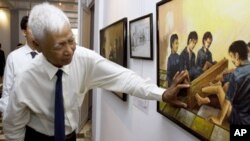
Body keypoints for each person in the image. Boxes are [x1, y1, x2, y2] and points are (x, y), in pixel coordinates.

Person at [3, 3, 189, 141]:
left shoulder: (83, 59)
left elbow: (124, 78)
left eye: (71, 40)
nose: (70, 50)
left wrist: (162, 94)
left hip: (70, 136)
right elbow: (13, 128)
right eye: (60, 45)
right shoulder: (26, 79)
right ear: (38, 45)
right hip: (38, 138)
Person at [195, 40, 250, 125]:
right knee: (226, 86)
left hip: (238, 120)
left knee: (219, 89)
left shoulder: (237, 74)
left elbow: (227, 101)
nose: (232, 60)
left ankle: (200, 92)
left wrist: (219, 120)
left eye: (232, 56)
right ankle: (203, 99)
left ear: (237, 55)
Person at [0, 15, 38, 112]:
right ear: (24, 32)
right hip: (19, 115)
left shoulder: (48, 57)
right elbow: (7, 91)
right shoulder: (14, 57)